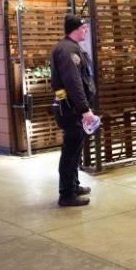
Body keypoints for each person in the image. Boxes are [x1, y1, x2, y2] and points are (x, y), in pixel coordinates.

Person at [50, 15, 96, 207]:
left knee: (75, 150)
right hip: (71, 108)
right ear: (76, 28)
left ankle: (73, 185)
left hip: (70, 107)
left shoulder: (68, 47)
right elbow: (74, 83)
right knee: (70, 151)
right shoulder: (68, 50)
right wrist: (85, 109)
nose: (86, 31)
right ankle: (67, 194)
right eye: (84, 28)